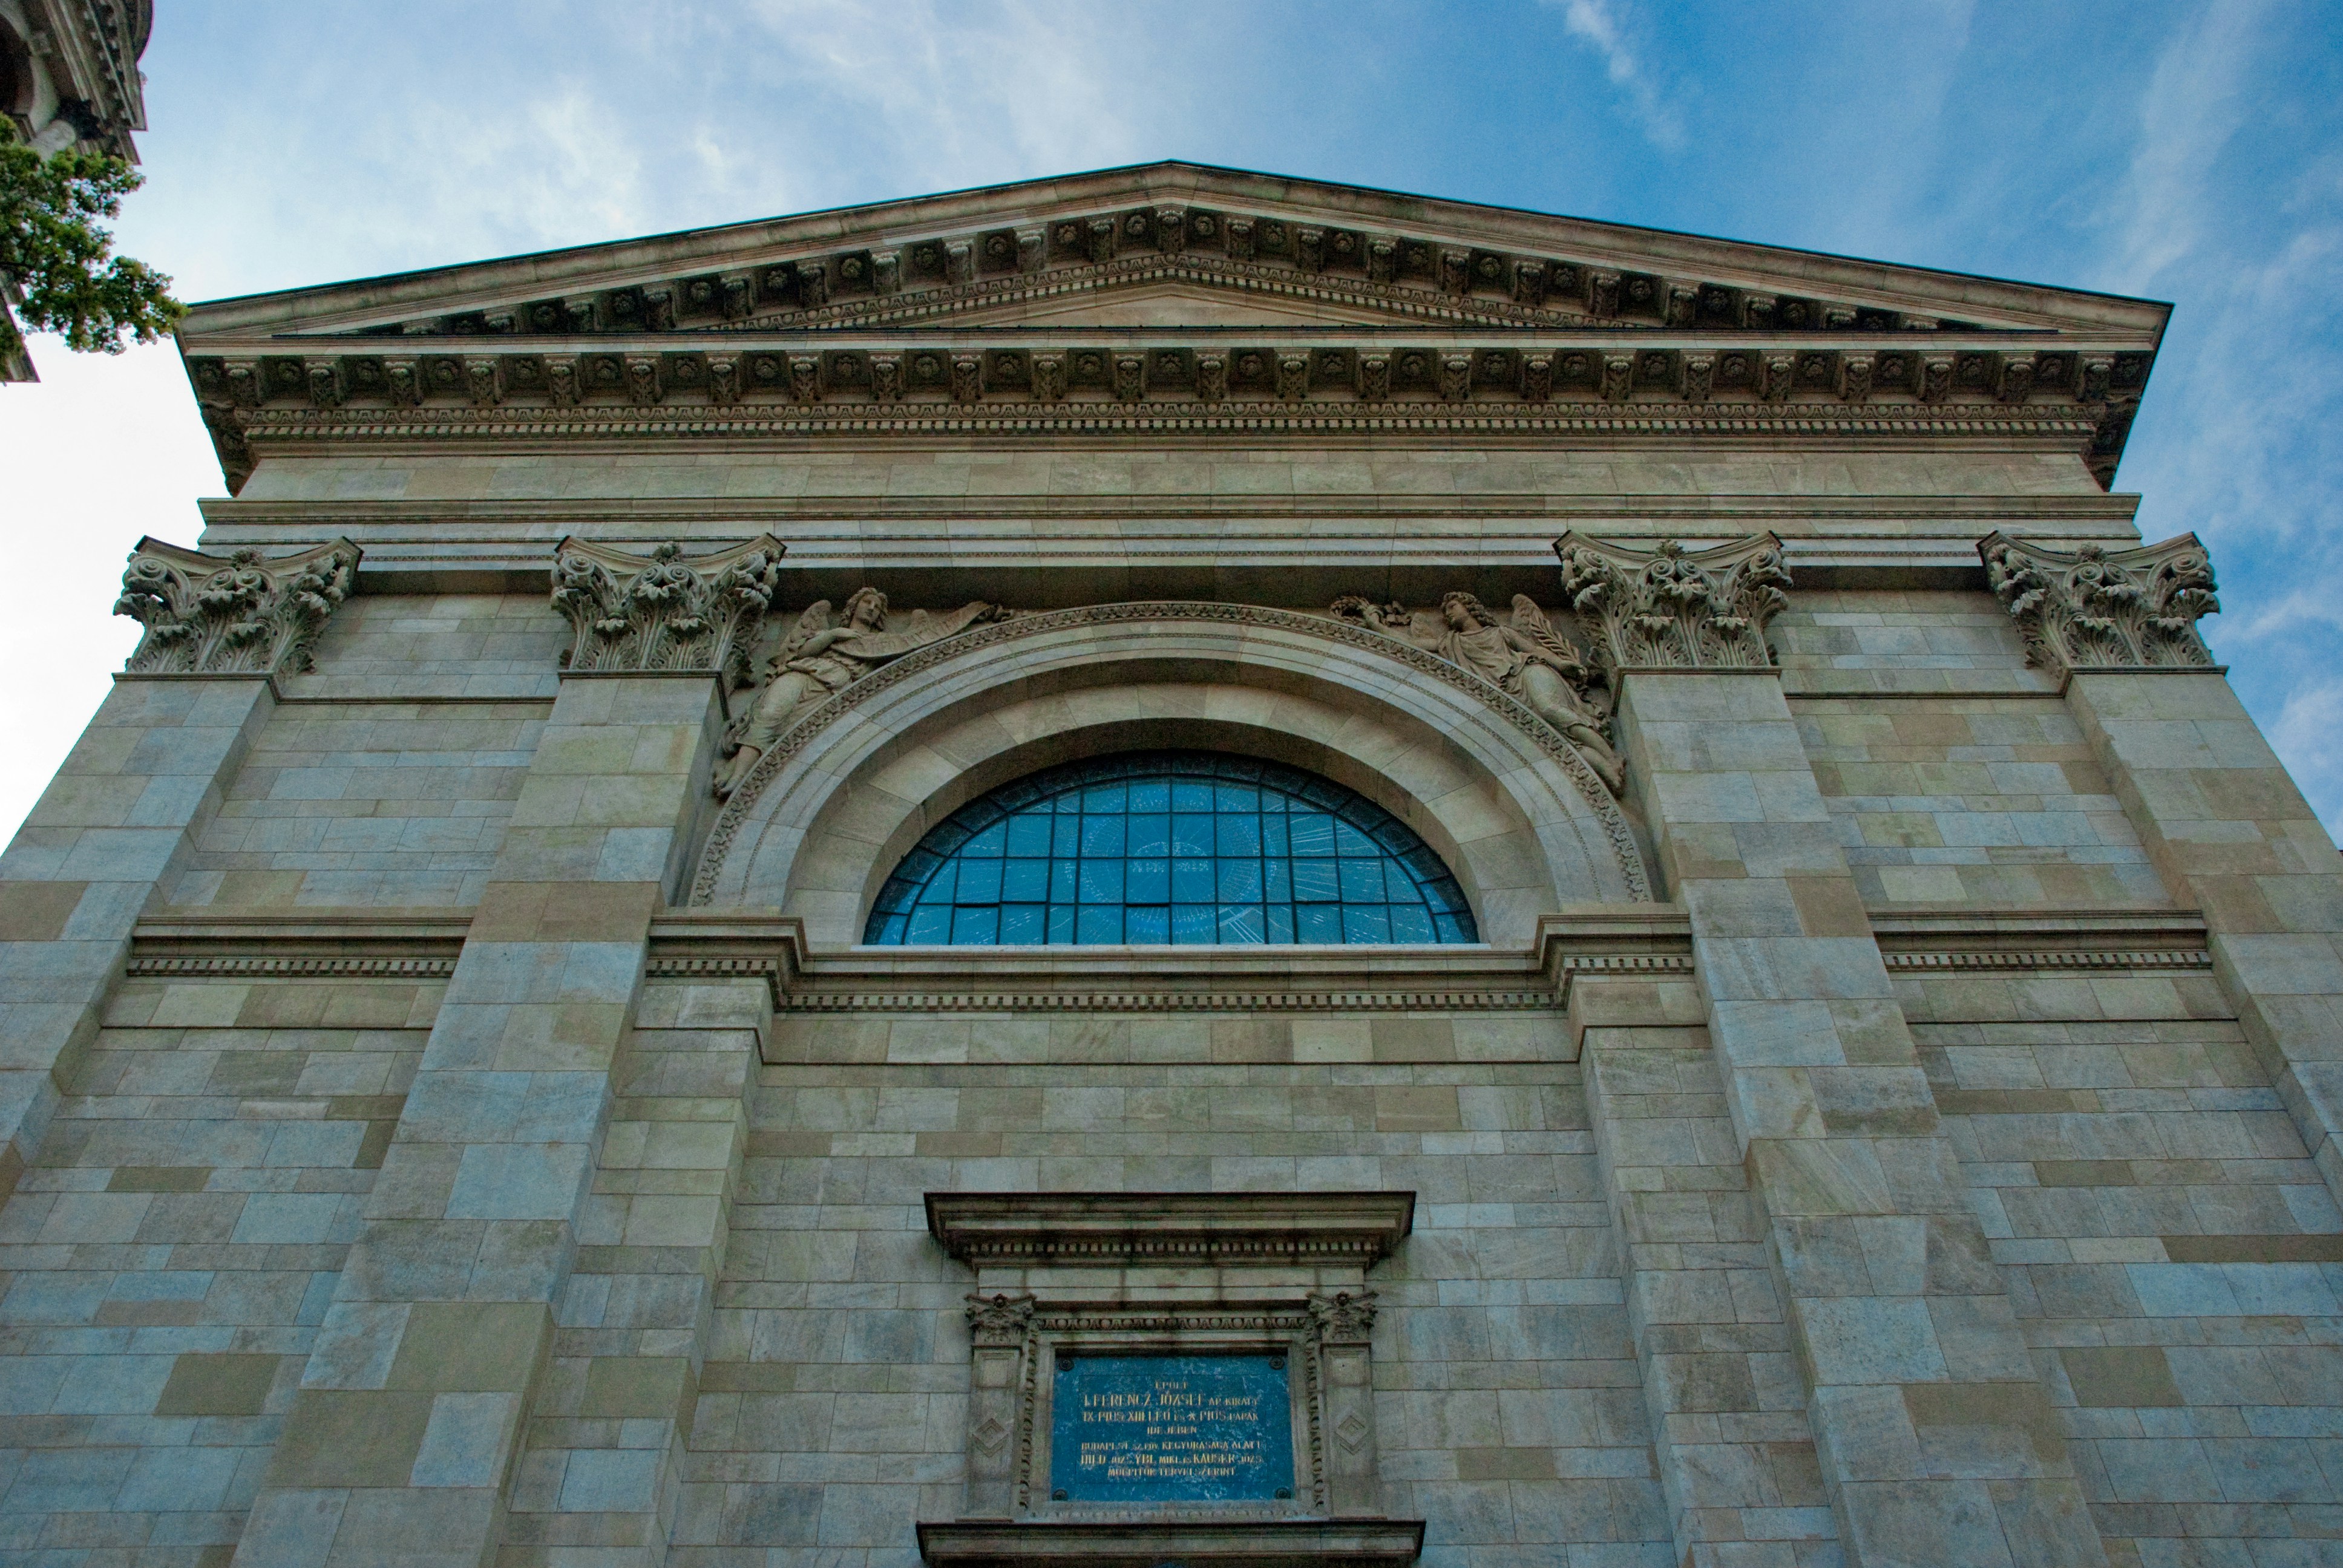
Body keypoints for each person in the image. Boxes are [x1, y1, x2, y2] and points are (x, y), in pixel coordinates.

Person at [713, 588, 1007, 797]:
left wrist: (973, 613)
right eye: (867, 603)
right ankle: (741, 773)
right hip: (804, 674)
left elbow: (924, 638)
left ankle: (755, 777)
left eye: (877, 607)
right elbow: (798, 651)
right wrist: (833, 635)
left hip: (835, 688)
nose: (872, 608)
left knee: (796, 737)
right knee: (768, 714)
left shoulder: (883, 643)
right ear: (853, 607)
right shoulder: (830, 633)